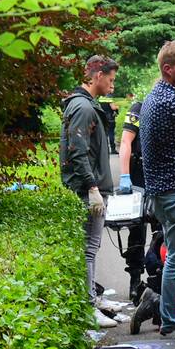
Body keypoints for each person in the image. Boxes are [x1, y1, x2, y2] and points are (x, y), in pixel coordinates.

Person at [139, 41, 175, 344]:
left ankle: (166, 313)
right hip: (174, 192)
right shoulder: (171, 100)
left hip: (161, 192)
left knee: (173, 255)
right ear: (168, 69)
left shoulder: (154, 97)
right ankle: (172, 322)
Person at [60, 55, 123, 329]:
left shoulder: (84, 105)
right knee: (89, 248)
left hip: (90, 187)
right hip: (88, 190)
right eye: (110, 79)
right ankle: (88, 307)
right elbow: (78, 151)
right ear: (98, 76)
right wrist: (92, 188)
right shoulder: (84, 108)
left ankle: (92, 300)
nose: (112, 85)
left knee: (91, 247)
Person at [117, 97, 151, 304]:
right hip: (138, 175)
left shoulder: (174, 106)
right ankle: (135, 279)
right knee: (137, 229)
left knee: (161, 232)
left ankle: (158, 280)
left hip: (160, 176)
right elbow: (126, 141)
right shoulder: (139, 108)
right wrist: (124, 175)